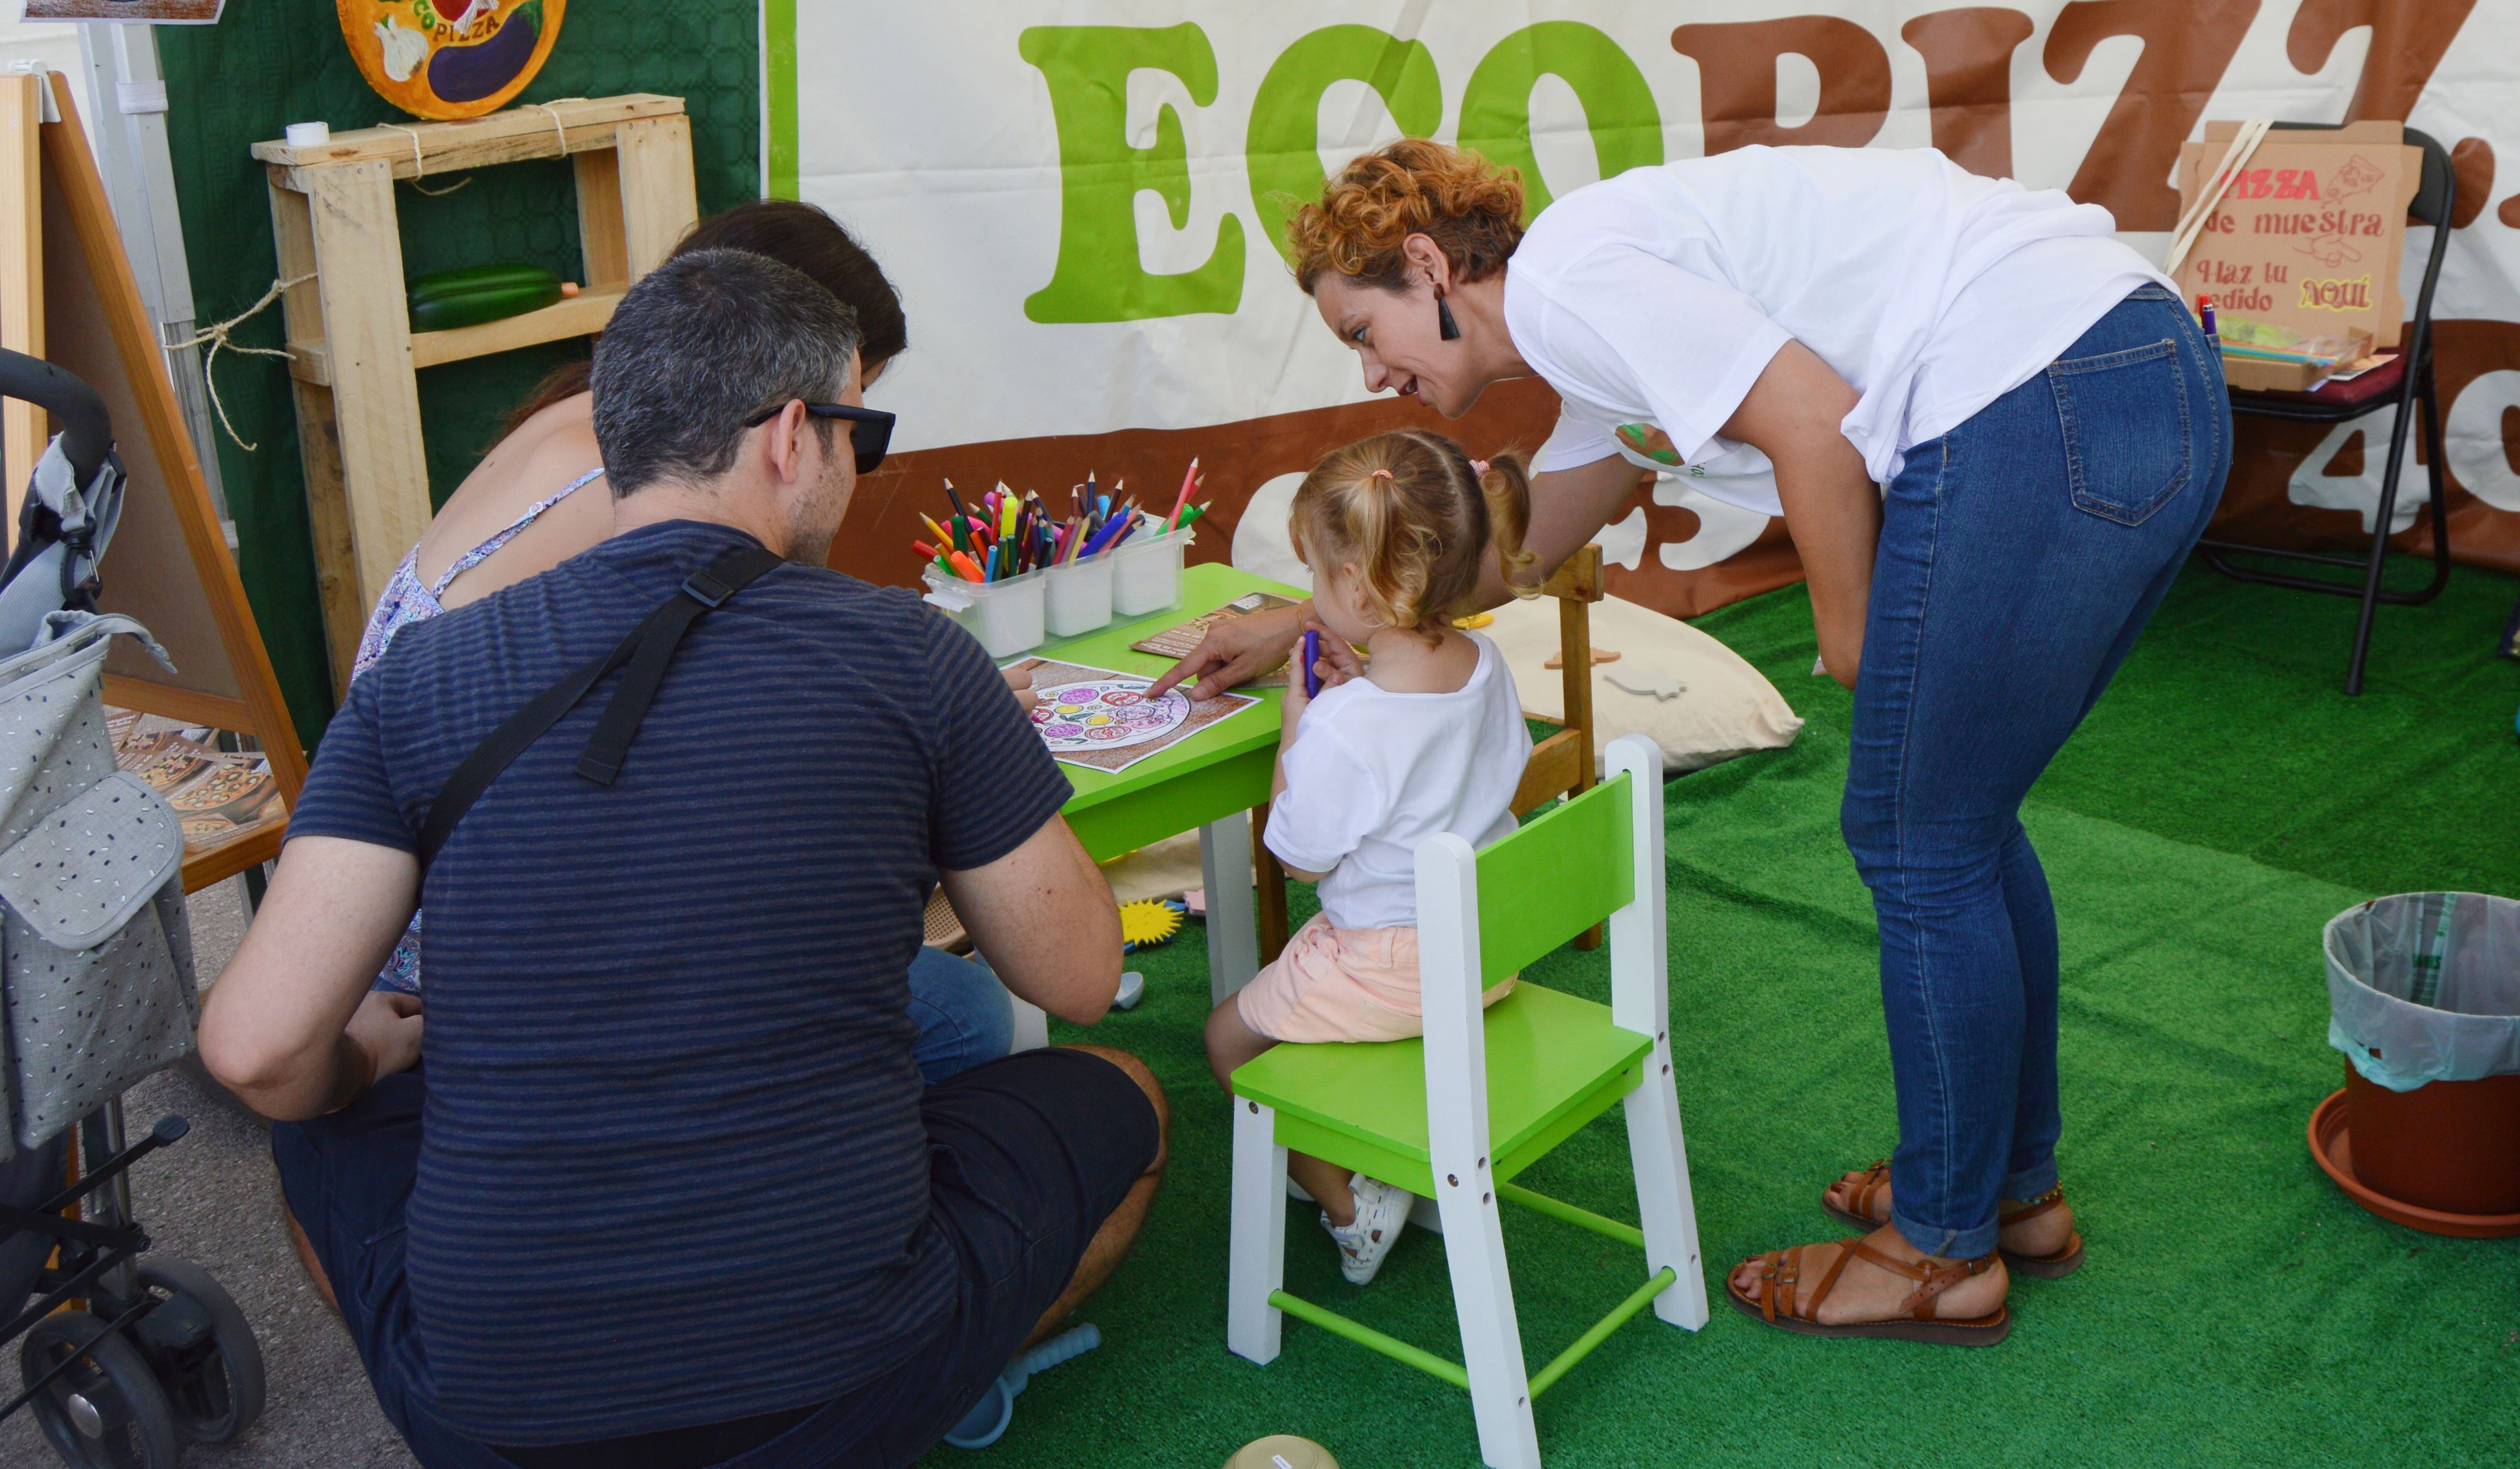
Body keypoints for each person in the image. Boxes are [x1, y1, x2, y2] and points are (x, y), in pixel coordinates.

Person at [1155, 138, 2231, 1344]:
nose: (1370, 372)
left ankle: (1940, 1251)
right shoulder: (1603, 365)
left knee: (1916, 838)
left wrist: (1849, 646)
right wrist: (1301, 616)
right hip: (2135, 379)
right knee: (1956, 829)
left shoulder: (1568, 287)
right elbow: (1478, 565)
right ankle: (2002, 1189)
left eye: (1364, 329)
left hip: (2047, 391)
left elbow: (1814, 424)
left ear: (1425, 265)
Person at [199, 247, 1166, 1468]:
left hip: (494, 1418)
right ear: (790, 437)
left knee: (319, 1129)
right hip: (841, 1381)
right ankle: (949, 1380)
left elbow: (251, 1046)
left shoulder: (419, 679)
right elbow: (1078, 976)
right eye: (856, 438)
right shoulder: (910, 654)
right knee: (1120, 1091)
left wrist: (363, 1063)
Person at [349, 201, 1004, 1083]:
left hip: (383, 904)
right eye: (847, 419)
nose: (842, 458)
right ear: (783, 399)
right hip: (476, 945)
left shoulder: (590, 420)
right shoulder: (624, 497)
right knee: (964, 1013)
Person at [1204, 429, 1537, 1285]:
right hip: (1487, 946)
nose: (1309, 593)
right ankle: (1375, 1154)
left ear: (1356, 584)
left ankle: (1352, 1205)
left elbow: (1298, 858)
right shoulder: (1485, 663)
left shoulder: (1346, 726)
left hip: (1392, 964)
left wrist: (1297, 729)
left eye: (1313, 574)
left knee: (1226, 1040)